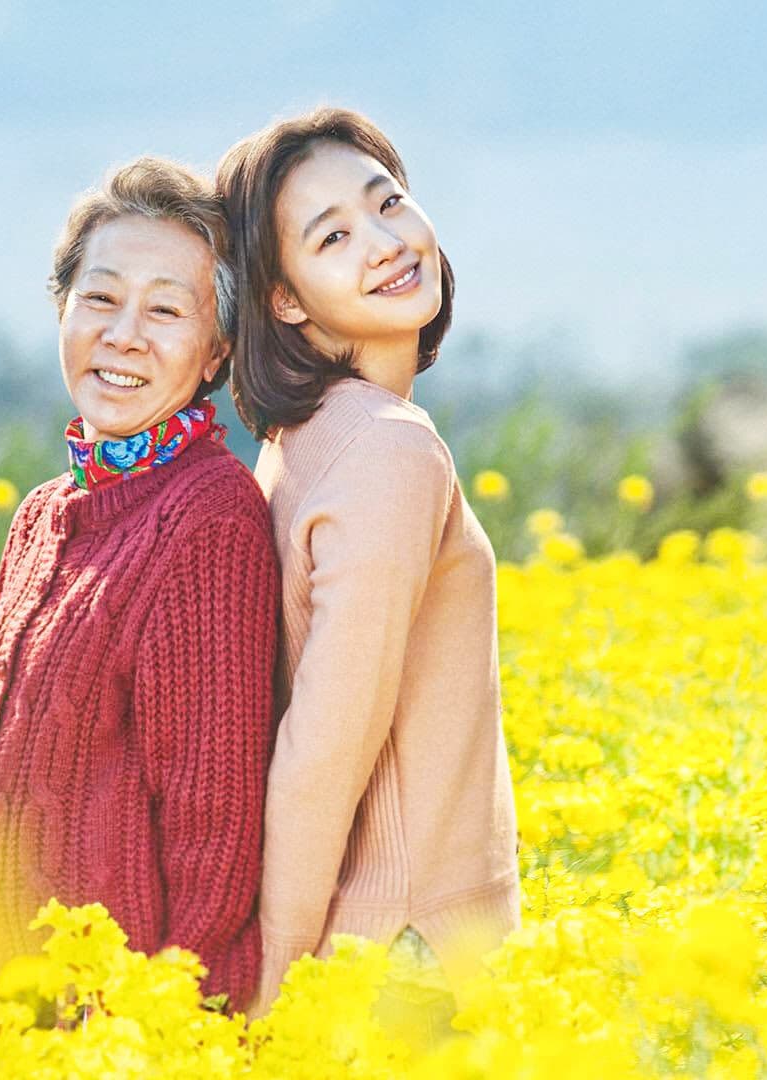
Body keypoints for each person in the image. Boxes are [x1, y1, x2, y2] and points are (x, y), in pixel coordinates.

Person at [0, 157, 280, 1045]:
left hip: (102, 1033)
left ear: (218, 350)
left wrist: (145, 1038)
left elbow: (216, 844)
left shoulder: (208, 518)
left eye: (166, 310)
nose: (124, 335)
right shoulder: (44, 516)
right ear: (62, 311)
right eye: (100, 299)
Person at [216, 108, 520, 1031]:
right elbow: (324, 746)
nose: (386, 243)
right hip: (407, 960)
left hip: (373, 954)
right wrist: (275, 986)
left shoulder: (299, 443)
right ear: (285, 300)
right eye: (333, 236)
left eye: (388, 203)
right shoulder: (388, 450)